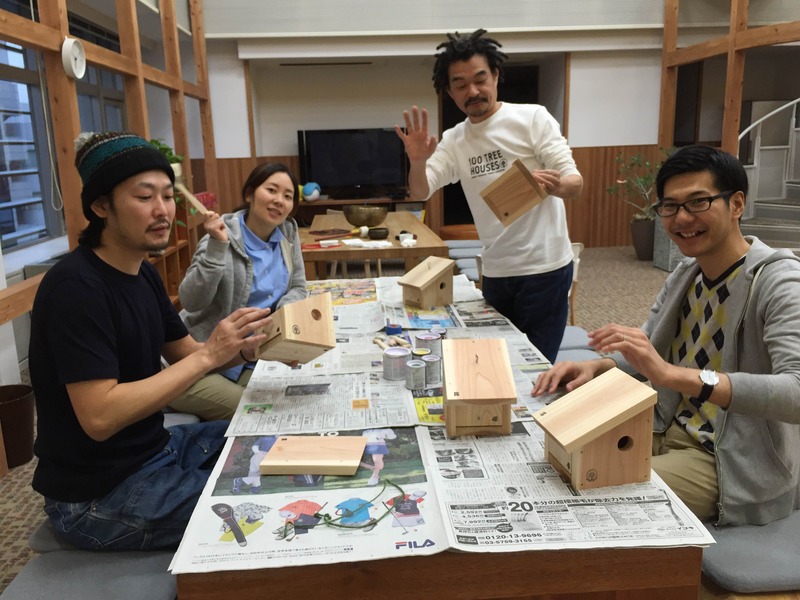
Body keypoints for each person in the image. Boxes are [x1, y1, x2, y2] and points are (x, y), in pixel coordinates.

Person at [532, 145, 800, 526]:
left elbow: (795, 391)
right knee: (557, 448)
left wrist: (674, 376)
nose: (682, 218)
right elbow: (649, 347)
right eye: (670, 206)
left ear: (737, 204)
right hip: (664, 425)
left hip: (726, 458)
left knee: (590, 491)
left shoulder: (780, 282)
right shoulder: (686, 273)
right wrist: (597, 366)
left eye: (698, 202)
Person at [29, 131, 272, 551]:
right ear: (101, 206)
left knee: (271, 438)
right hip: (98, 492)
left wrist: (243, 348)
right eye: (144, 197)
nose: (163, 211)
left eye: (167, 196)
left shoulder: (140, 272)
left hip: (155, 450)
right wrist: (209, 355)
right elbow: (100, 417)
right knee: (265, 504)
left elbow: (186, 354)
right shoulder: (75, 288)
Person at [396, 29, 583, 362]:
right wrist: (418, 162)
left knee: (537, 365)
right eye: (460, 85)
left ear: (495, 76)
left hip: (546, 269)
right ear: (450, 92)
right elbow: (421, 190)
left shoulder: (532, 118)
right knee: (498, 362)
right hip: (495, 271)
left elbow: (575, 182)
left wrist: (553, 186)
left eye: (480, 79)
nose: (473, 91)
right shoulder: (455, 140)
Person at [169, 163, 308, 420]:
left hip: (247, 359)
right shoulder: (222, 236)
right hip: (198, 363)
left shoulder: (288, 233)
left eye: (288, 196)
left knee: (291, 402)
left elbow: (299, 287)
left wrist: (278, 319)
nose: (279, 200)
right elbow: (191, 301)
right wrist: (216, 248)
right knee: (259, 414)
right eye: (271, 190)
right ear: (249, 194)